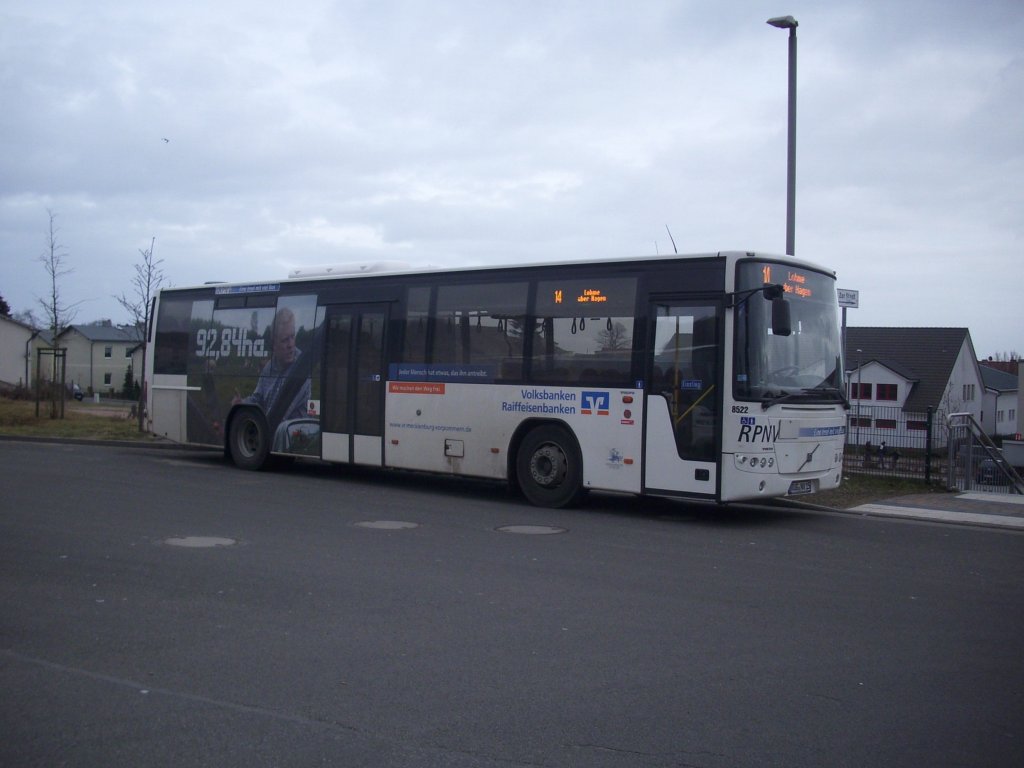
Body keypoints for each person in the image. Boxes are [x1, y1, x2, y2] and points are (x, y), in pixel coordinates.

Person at [234, 307, 311, 425]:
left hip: (294, 438)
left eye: (292, 336)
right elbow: (258, 398)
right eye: (285, 340)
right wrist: (242, 404)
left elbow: (280, 412)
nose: (291, 344)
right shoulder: (269, 367)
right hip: (271, 434)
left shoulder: (302, 367)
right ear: (274, 345)